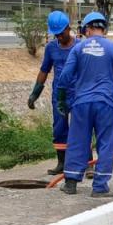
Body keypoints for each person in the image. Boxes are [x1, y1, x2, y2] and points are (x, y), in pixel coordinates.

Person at [55, 12, 113, 197]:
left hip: (81, 104)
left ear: (86, 29)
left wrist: (61, 99)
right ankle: (100, 187)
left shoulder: (77, 49)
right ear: (104, 28)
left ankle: (70, 183)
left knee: (77, 142)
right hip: (105, 104)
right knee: (106, 143)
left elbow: (65, 76)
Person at [28, 11, 77, 175]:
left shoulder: (80, 46)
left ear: (69, 28)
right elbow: (44, 71)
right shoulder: (51, 48)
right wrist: (35, 94)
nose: (59, 37)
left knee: (81, 127)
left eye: (61, 33)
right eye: (56, 34)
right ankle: (62, 163)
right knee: (59, 128)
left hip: (78, 94)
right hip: (59, 95)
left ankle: (88, 162)